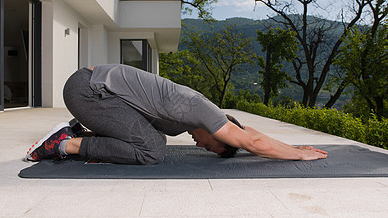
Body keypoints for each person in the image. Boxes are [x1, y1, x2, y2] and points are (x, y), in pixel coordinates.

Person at [25, 64, 328, 164]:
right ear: (220, 129)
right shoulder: (200, 110)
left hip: (93, 89)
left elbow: (248, 137)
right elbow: (251, 141)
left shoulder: (189, 119)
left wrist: (292, 147)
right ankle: (62, 144)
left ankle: (78, 133)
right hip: (87, 91)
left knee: (153, 136)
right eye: (209, 144)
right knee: (153, 150)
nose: (200, 145)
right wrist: (300, 156)